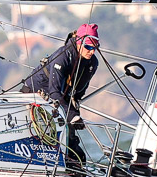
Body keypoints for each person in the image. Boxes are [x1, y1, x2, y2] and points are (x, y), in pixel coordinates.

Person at [22, 24, 100, 169]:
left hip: (60, 98)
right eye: (88, 47)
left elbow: (78, 93)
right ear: (79, 42)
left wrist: (74, 113)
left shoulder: (92, 62)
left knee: (75, 151)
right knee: (40, 132)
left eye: (95, 47)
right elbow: (54, 91)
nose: (92, 51)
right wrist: (72, 116)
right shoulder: (63, 55)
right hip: (35, 92)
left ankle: (71, 166)